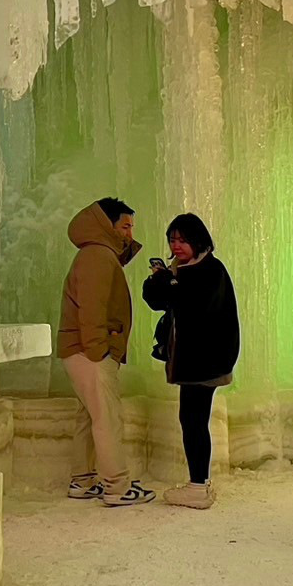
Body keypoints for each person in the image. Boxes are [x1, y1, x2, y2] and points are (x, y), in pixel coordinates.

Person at [58, 197, 156, 508]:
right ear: (107, 225)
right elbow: (92, 308)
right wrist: (102, 351)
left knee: (89, 417)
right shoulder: (98, 256)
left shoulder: (95, 254)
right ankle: (117, 485)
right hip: (90, 352)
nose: (130, 233)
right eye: (125, 226)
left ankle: (83, 480)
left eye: (132, 227)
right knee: (106, 418)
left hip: (80, 349)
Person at [141, 214, 240, 509]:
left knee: (193, 420)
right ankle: (200, 483)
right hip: (200, 361)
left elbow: (187, 303)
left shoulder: (209, 270)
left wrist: (167, 279)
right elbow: (157, 300)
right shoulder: (186, 270)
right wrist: (164, 278)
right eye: (173, 240)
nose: (176, 245)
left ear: (198, 241)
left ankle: (198, 486)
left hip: (204, 361)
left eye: (182, 240)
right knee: (193, 419)